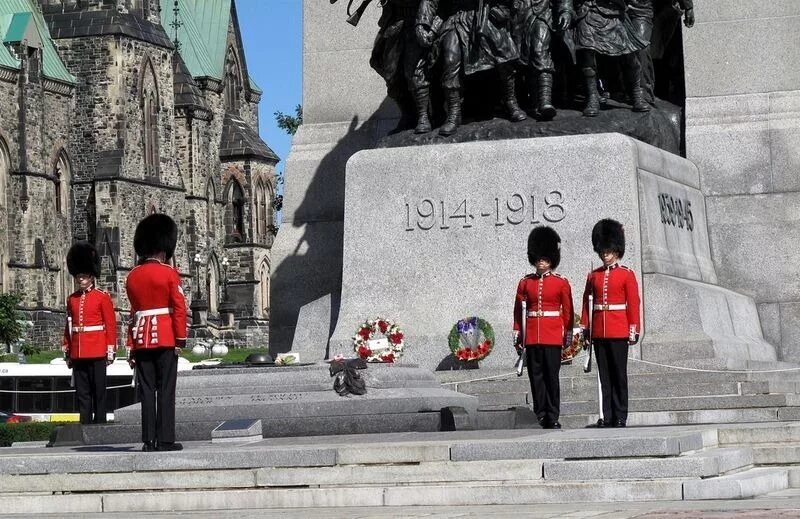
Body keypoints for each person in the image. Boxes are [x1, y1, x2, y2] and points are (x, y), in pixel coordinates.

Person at [417, 0, 527, 136]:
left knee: (504, 56)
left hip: (485, 15)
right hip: (456, 19)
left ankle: (511, 102)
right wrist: (422, 23)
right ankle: (453, 114)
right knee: (450, 62)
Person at [126, 214, 188, 452]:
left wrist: (131, 344)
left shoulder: (132, 276)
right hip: (165, 337)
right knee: (166, 390)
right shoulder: (169, 273)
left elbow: (133, 313)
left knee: (147, 391)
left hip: (141, 340)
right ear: (164, 248)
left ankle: (148, 440)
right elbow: (179, 308)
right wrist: (180, 338)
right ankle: (165, 439)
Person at [581, 219, 641, 428]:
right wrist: (585, 329)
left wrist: (633, 329)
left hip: (618, 330)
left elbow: (633, 304)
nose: (605, 254)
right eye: (603, 251)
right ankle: (607, 416)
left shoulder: (626, 274)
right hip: (599, 331)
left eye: (609, 251)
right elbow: (587, 304)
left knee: (619, 375)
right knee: (604, 377)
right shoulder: (594, 276)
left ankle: (620, 415)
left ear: (616, 251)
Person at [513, 226, 573, 429]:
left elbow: (567, 311)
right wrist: (518, 332)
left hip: (552, 336)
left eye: (545, 258)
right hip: (532, 336)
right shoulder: (525, 283)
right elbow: (518, 310)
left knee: (551, 377)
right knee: (536, 378)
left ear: (551, 259)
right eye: (539, 258)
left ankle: (553, 415)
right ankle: (539, 414)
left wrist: (567, 333)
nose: (541, 261)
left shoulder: (561, 283)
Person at [63, 241, 117, 425]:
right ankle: (85, 423)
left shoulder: (102, 297)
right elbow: (69, 327)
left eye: (84, 277)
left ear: (91, 277)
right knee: (82, 392)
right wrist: (68, 350)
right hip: (78, 351)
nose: (81, 280)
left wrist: (110, 351)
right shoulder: (72, 299)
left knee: (98, 391)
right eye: (79, 277)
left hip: (97, 350)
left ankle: (100, 422)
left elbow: (110, 326)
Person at [573, 0, 651, 116]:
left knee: (632, 58)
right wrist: (565, 9)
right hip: (588, 11)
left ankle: (637, 95)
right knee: (587, 56)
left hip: (614, 12)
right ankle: (592, 98)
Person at [512, 0, 572, 120]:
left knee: (540, 52)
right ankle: (533, 103)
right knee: (521, 61)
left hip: (543, 15)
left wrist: (566, 11)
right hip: (516, 19)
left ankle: (545, 102)